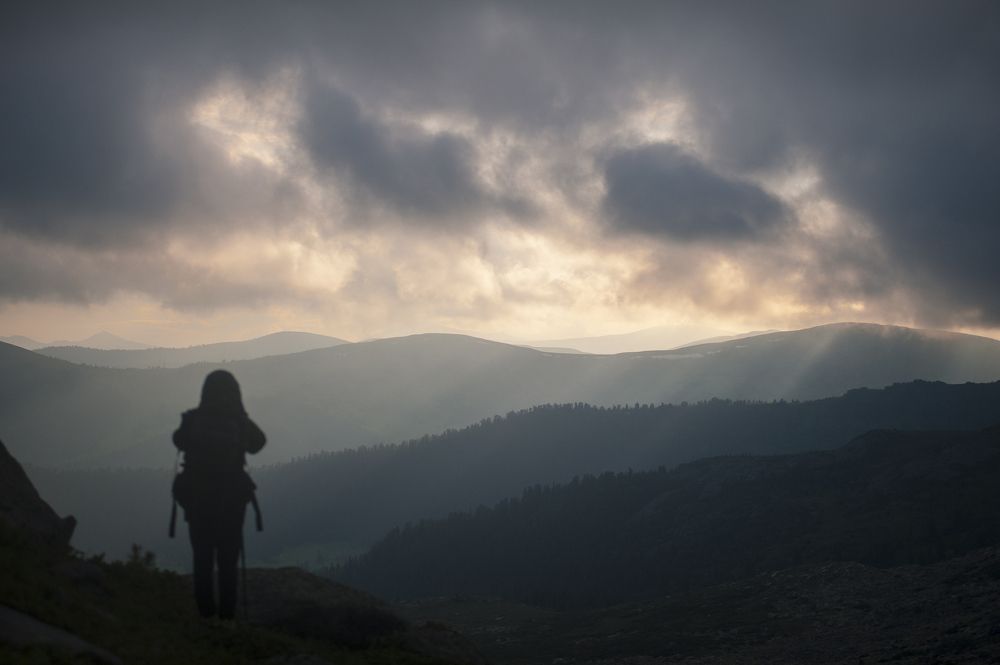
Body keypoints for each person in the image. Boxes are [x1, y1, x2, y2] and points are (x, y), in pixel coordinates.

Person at [172, 370, 265, 620]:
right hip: (231, 500)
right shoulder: (239, 422)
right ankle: (227, 617)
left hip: (198, 499)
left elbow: (178, 440)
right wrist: (241, 418)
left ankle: (205, 615)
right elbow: (259, 443)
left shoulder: (193, 419)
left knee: (202, 557)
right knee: (228, 559)